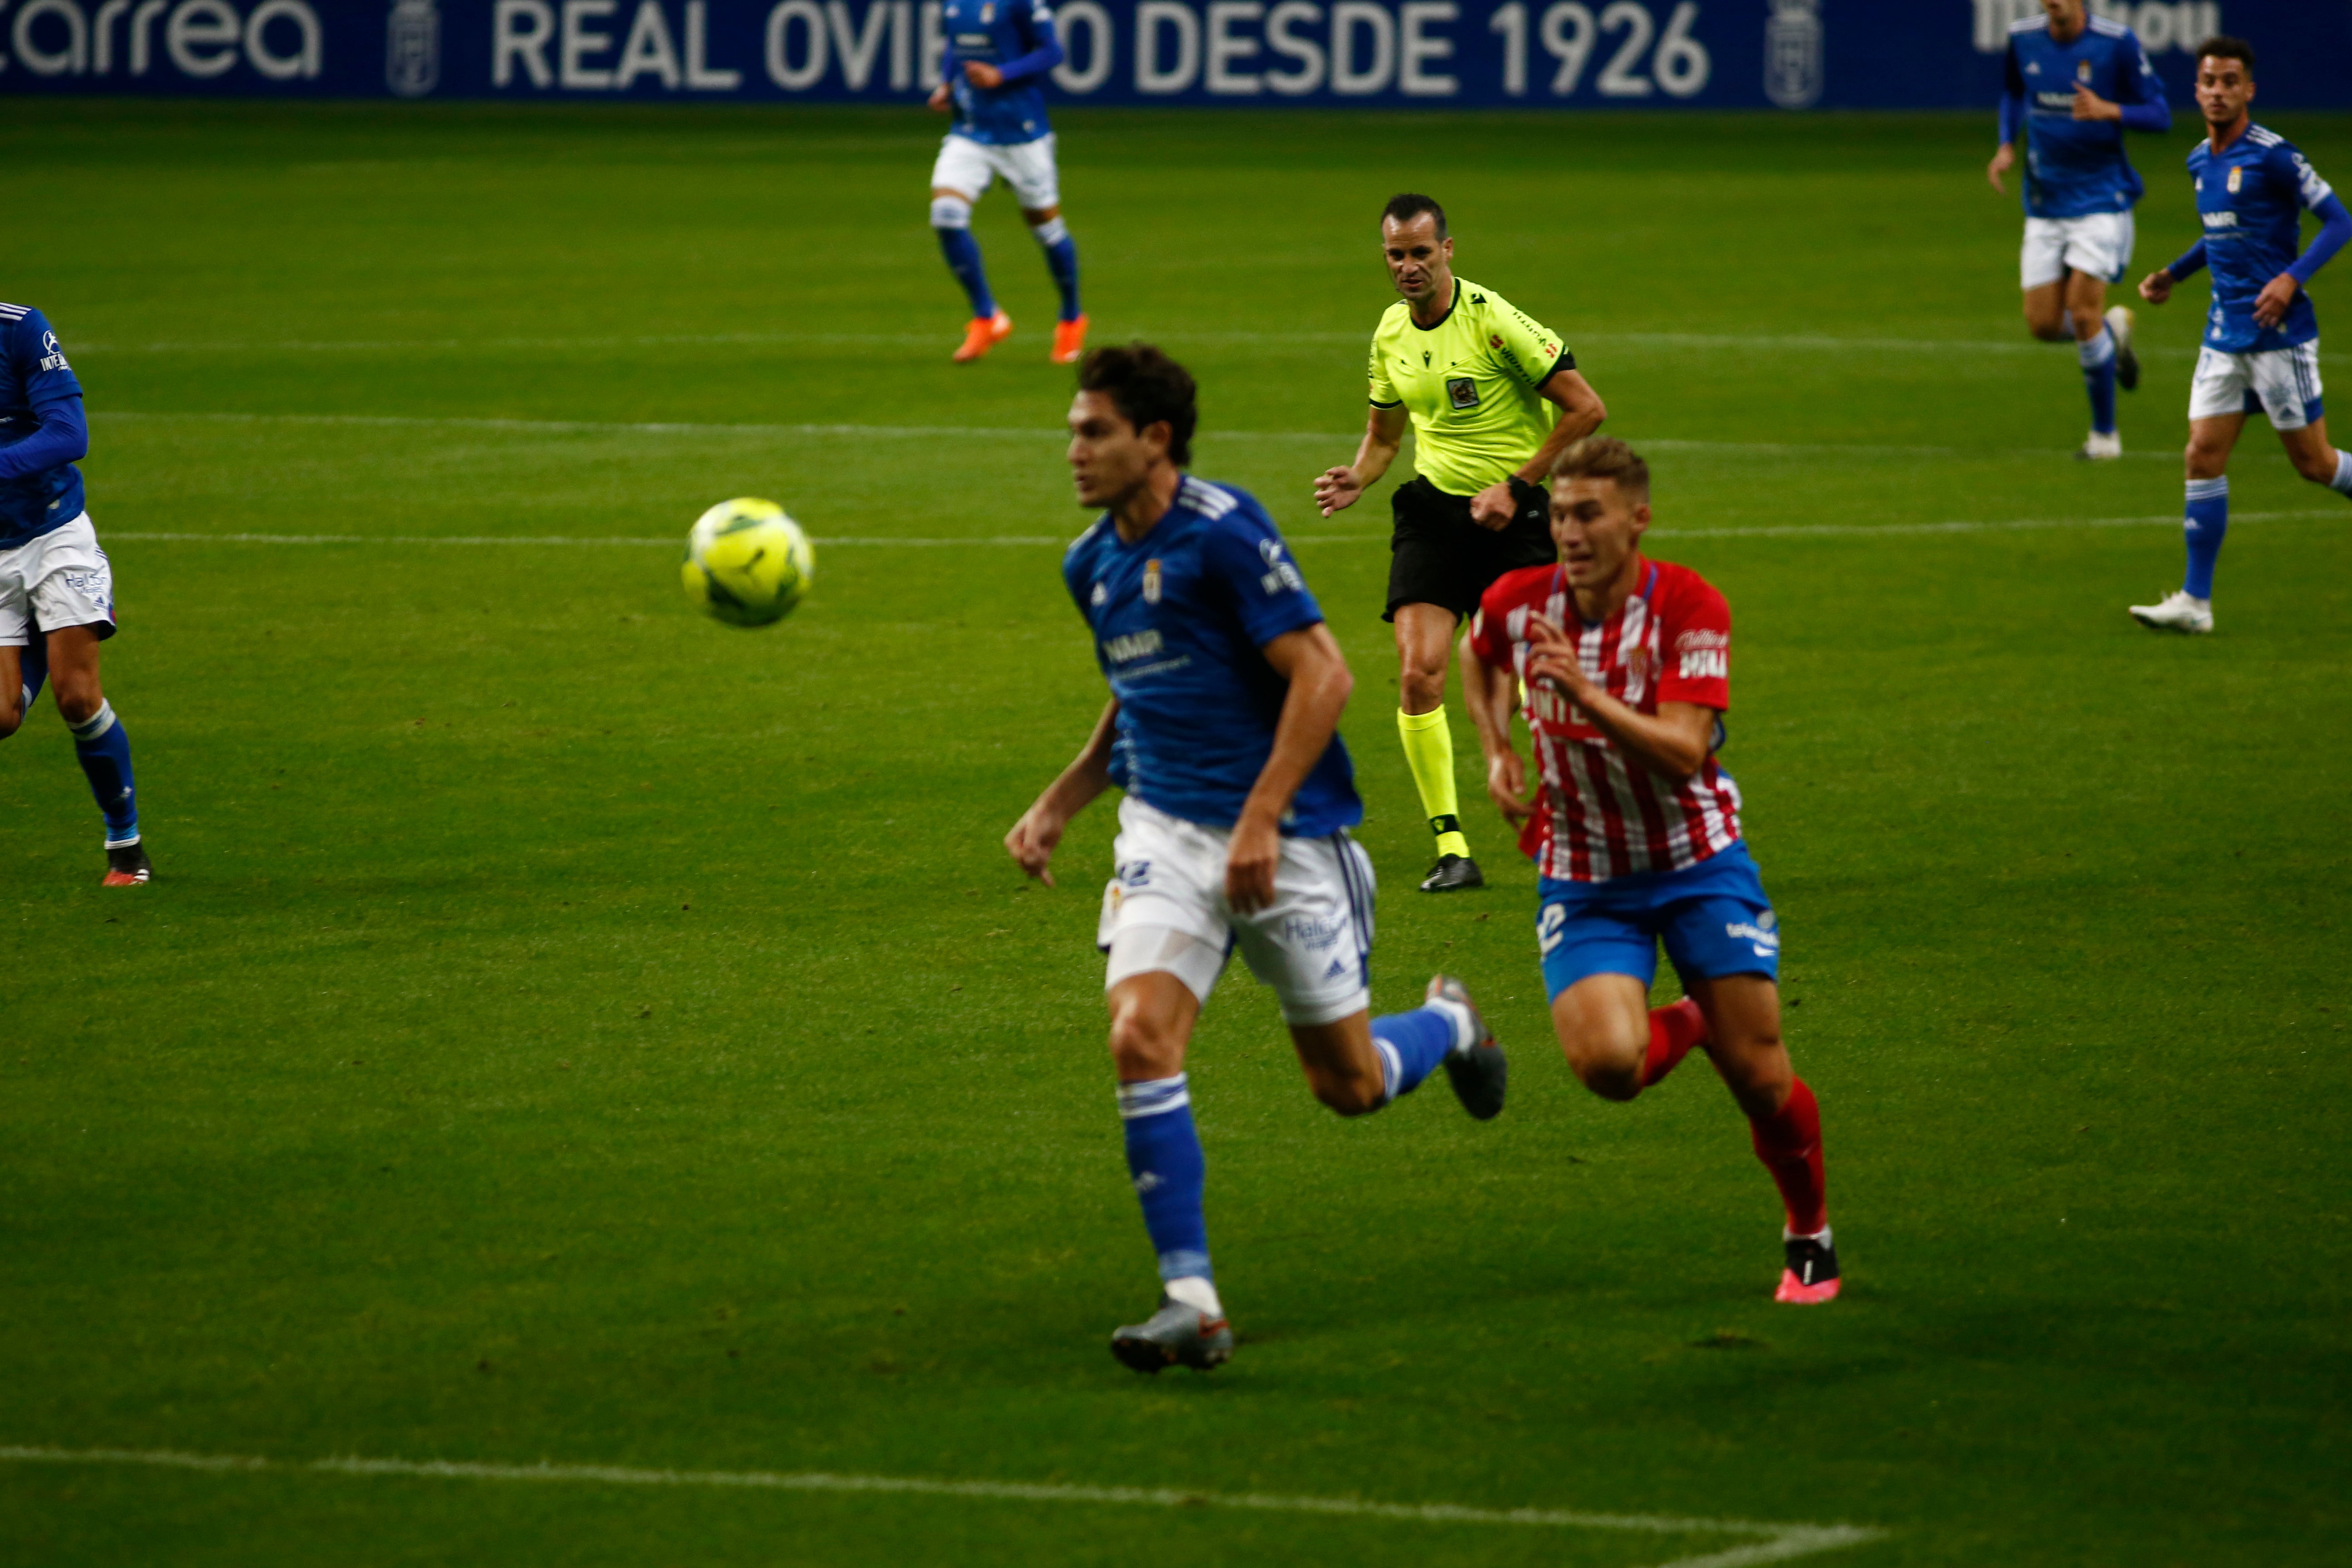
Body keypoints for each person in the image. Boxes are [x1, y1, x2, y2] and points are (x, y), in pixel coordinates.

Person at [1007, 344, 1508, 1372]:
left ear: (1154, 440)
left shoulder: (1224, 532)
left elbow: (1323, 676)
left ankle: (1451, 1021)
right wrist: (1063, 797)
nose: (1073, 449)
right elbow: (1143, 690)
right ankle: (1191, 1298)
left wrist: (1256, 820)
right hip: (1163, 833)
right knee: (1139, 1034)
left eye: (1092, 430)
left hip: (1287, 840)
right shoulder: (1089, 563)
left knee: (1350, 1083)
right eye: (1071, 428)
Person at [1460, 438, 1836, 1304]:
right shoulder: (1518, 602)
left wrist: (1584, 695)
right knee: (1606, 1067)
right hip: (1585, 873)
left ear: (1637, 519)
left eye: (1587, 514)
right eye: (1557, 515)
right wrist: (1494, 749)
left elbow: (1682, 751)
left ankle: (1808, 1231)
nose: (1568, 532)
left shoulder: (1686, 606)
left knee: (1764, 1083)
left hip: (1695, 861)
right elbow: (1478, 655)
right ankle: (1695, 1019)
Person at [1313, 193, 1606, 895]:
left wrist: (1518, 485)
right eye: (1395, 255)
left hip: (1515, 521)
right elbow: (1386, 437)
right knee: (1419, 674)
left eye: (1420, 252)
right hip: (1433, 515)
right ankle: (1452, 847)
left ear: (1449, 250)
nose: (1408, 266)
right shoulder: (1390, 332)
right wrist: (1358, 476)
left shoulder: (1493, 321)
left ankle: (1579, 818)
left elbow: (1586, 408)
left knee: (1531, 683)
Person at [2128, 36, 2352, 635]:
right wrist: (2172, 274)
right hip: (2224, 336)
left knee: (2315, 464)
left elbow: (2339, 221)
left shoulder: (2275, 156)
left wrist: (2291, 277)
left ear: (2249, 90)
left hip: (2280, 338)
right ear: (2196, 89)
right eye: (2209, 81)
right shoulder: (2201, 161)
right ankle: (2195, 604)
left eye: (2230, 81)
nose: (2219, 91)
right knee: (2201, 454)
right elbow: (2222, 234)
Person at [0, 300, 146, 886]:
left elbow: (69, 433)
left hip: (54, 533)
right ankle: (40, 632)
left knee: (78, 697)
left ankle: (126, 847)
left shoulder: (19, 329)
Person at [1986, 0, 2171, 461]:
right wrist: (2007, 144)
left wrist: (2111, 110)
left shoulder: (2116, 45)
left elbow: (2160, 114)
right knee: (2044, 324)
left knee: (2082, 313)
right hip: (2046, 201)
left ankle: (2104, 437)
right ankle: (2111, 333)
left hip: (2101, 200)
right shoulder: (2023, 37)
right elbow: (2014, 93)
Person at [926, 0, 1086, 366]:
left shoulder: (1022, 4)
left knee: (1047, 231)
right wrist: (946, 83)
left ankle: (1071, 319)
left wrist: (1003, 74)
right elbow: (957, 45)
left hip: (1022, 134)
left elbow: (1052, 51)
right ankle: (988, 317)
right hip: (970, 131)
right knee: (946, 216)